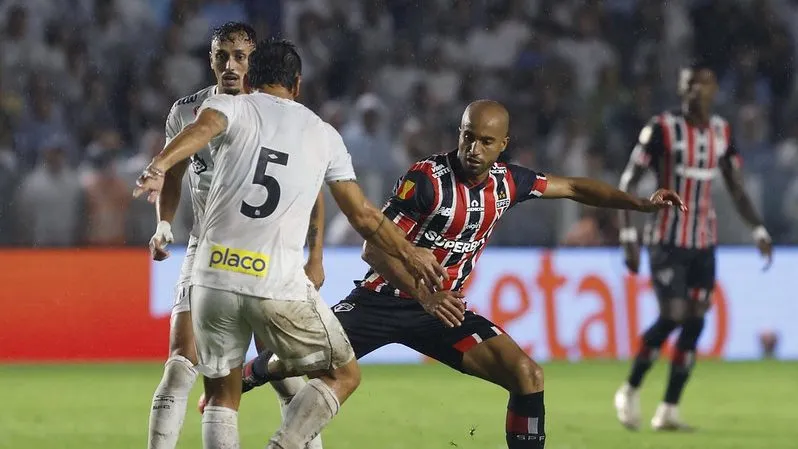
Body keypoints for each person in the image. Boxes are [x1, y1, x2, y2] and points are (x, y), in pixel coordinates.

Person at [231, 99, 685, 449]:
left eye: (485, 141)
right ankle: (252, 371)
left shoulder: (510, 182)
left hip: (440, 313)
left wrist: (640, 203)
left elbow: (575, 187)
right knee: (293, 362)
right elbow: (375, 249)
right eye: (468, 137)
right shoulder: (426, 180)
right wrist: (425, 295)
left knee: (527, 375)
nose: (473, 149)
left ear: (503, 144)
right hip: (384, 301)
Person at [133, 38, 446, 449]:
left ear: (252, 76)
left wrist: (158, 165)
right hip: (275, 281)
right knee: (342, 374)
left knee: (221, 400)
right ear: (297, 85)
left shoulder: (228, 107)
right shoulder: (322, 133)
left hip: (211, 277)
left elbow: (200, 129)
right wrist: (410, 251)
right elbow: (364, 216)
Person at [144, 23, 326, 449]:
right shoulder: (185, 111)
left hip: (266, 252)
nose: (230, 65)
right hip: (206, 246)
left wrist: (314, 256)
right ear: (210, 59)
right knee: (180, 367)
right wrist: (164, 223)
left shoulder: (275, 112)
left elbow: (314, 187)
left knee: (284, 375)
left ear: (254, 60)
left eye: (240, 56)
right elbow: (175, 172)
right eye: (222, 55)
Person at [613, 62, 774, 431]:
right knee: (673, 315)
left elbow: (735, 186)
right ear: (681, 90)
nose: (693, 92)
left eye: (701, 85)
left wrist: (759, 230)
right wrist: (626, 234)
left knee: (696, 321)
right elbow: (629, 179)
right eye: (687, 86)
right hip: (666, 238)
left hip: (704, 242)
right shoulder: (661, 129)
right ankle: (630, 389)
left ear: (714, 89)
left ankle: (668, 408)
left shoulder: (721, 131)